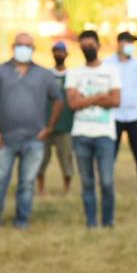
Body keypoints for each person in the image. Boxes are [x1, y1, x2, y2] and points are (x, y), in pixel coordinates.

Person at [0, 33, 63, 229]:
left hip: (34, 139)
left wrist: (49, 127)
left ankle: (22, 220)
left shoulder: (44, 74)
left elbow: (58, 100)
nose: (23, 48)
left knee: (27, 183)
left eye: (27, 45)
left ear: (33, 49)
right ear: (13, 46)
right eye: (20, 44)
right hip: (5, 138)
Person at [66, 30, 121, 228]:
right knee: (87, 182)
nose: (87, 48)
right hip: (81, 134)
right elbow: (72, 104)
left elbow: (115, 100)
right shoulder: (74, 73)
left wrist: (85, 99)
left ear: (98, 46)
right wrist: (99, 97)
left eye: (91, 45)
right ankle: (91, 222)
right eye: (84, 45)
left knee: (106, 181)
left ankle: (108, 221)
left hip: (104, 135)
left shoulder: (111, 71)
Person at [104, 31, 137, 194]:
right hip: (114, 115)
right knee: (110, 154)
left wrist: (134, 101)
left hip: (134, 115)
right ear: (119, 44)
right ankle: (106, 185)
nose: (130, 47)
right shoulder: (108, 63)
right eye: (128, 43)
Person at [37, 41, 75, 195]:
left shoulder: (72, 76)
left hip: (64, 125)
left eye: (61, 52)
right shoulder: (46, 75)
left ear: (66, 54)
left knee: (66, 159)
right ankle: (41, 189)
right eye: (56, 51)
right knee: (41, 160)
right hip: (45, 125)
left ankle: (66, 189)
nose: (59, 55)